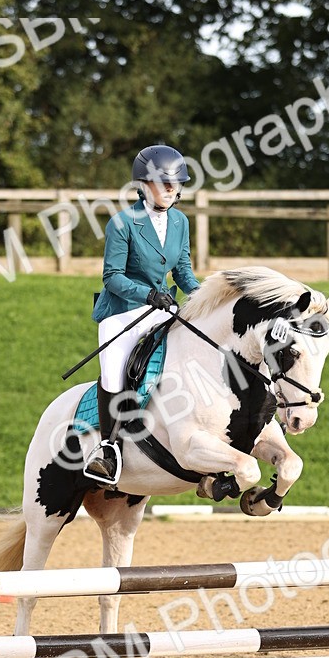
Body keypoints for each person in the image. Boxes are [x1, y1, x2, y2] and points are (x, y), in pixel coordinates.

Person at [83, 143, 200, 485]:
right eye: (164, 183)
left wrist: (203, 296)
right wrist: (148, 295)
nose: (171, 190)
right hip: (122, 312)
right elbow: (112, 277)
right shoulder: (122, 223)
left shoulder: (180, 222)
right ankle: (107, 450)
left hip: (163, 309)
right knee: (113, 372)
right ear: (144, 184)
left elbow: (183, 271)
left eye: (175, 184)